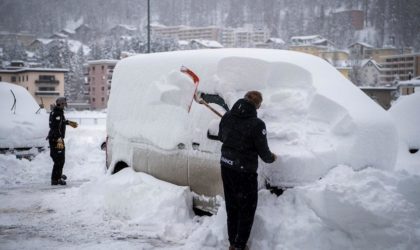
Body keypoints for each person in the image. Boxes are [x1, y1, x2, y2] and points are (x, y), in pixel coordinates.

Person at [218, 91, 277, 250]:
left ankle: (232, 243)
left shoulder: (227, 117)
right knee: (247, 209)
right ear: (258, 105)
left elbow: (221, 137)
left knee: (232, 206)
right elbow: (264, 154)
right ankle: (239, 245)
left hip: (226, 166)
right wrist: (272, 158)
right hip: (244, 172)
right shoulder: (257, 124)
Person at [47, 97, 78, 185]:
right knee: (59, 160)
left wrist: (69, 123)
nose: (65, 106)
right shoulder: (57, 113)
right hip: (57, 139)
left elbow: (60, 122)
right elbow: (55, 127)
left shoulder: (56, 112)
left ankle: (58, 175)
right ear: (60, 104)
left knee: (59, 159)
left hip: (55, 138)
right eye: (64, 104)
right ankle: (56, 179)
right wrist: (59, 139)